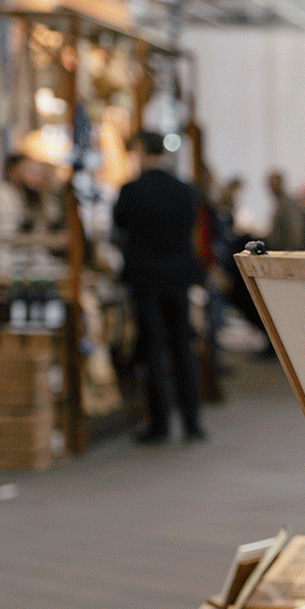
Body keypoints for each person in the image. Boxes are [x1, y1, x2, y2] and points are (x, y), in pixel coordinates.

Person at [112, 132, 205, 443]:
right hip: (179, 275)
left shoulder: (131, 190)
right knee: (182, 346)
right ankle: (192, 422)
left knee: (153, 348)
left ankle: (161, 424)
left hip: (146, 276)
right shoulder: (184, 190)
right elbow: (191, 224)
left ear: (140, 150)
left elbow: (120, 225)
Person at [265, 170, 305, 251]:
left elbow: (295, 230)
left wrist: (291, 252)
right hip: (279, 250)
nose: (271, 187)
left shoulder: (288, 203)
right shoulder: (280, 202)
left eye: (273, 184)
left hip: (287, 251)